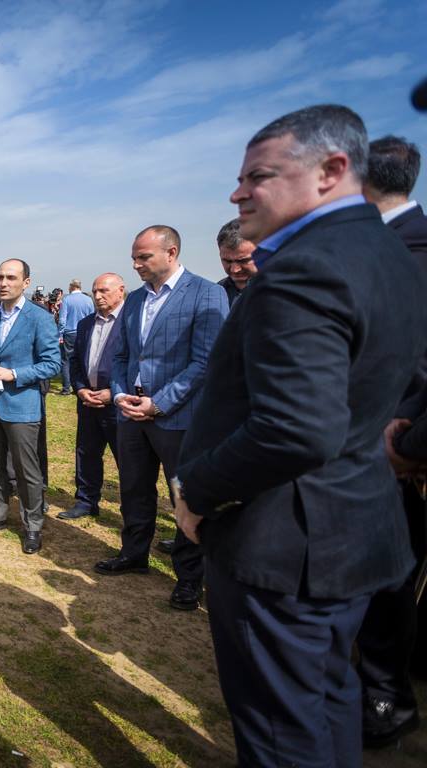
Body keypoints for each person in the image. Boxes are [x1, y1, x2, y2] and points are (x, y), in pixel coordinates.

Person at [173, 104, 427, 765]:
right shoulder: (390, 255)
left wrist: (197, 491)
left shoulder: (305, 268)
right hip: (353, 529)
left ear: (331, 171)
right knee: (326, 697)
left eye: (258, 176)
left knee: (282, 733)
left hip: (286, 543)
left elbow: (295, 428)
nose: (237, 193)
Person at [97, 225, 227, 612]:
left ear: (171, 253)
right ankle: (133, 553)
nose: (136, 264)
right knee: (134, 488)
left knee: (183, 495)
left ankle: (188, 578)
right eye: (134, 258)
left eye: (144, 257)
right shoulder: (136, 299)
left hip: (179, 417)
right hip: (131, 414)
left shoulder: (207, 293)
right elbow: (122, 355)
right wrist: (120, 394)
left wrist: (159, 403)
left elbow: (205, 361)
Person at [357, 133, 427, 747]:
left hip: (390, 452)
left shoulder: (410, 253)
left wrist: (409, 443)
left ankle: (384, 700)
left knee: (386, 579)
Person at [0, 259, 62, 554]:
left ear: (26, 283)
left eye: (11, 277)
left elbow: (52, 363)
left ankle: (32, 524)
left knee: (26, 470)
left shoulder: (40, 318)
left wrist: (14, 374)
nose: (3, 283)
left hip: (22, 403)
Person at [58, 273, 126, 520]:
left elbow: (138, 364)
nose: (97, 296)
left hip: (119, 404)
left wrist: (114, 392)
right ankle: (86, 501)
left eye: (104, 291)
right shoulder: (86, 323)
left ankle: (132, 508)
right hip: (88, 401)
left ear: (120, 291)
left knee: (126, 458)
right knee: (86, 453)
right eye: (95, 291)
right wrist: (79, 388)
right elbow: (75, 360)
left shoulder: (131, 321)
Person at [57, 280, 94, 395]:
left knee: (66, 360)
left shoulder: (67, 300)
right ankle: (80, 386)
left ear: (71, 287)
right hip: (84, 332)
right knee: (83, 359)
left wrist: (60, 334)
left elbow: (62, 319)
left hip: (69, 332)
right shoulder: (88, 300)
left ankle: (66, 387)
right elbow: (92, 316)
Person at [215, 219, 259, 308]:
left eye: (243, 261)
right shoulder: (216, 292)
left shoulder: (280, 288)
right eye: (227, 261)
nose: (235, 269)